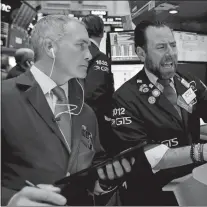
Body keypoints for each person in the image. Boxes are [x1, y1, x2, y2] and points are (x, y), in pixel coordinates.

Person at [106, 20, 207, 205]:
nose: (171, 54)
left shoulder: (186, 81)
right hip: (153, 193)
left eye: (173, 45)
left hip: (191, 182)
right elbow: (144, 155)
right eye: (161, 47)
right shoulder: (125, 98)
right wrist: (201, 151)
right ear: (141, 53)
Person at [1, 15, 133, 206]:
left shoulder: (85, 111)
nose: (89, 55)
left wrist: (103, 181)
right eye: (81, 45)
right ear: (50, 48)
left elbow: (95, 161)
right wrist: (9, 200)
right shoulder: (4, 98)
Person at [81, 14, 115, 149]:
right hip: (92, 124)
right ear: (102, 32)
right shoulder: (99, 57)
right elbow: (93, 93)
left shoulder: (76, 52)